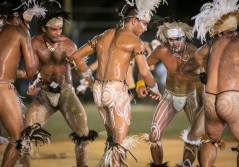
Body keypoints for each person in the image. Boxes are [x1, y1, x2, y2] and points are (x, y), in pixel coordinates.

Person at [72, 0, 166, 166]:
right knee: (119, 145)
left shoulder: (104, 35)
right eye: (144, 24)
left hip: (98, 91)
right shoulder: (134, 41)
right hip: (116, 92)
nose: (145, 28)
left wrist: (89, 78)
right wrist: (155, 88)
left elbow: (76, 57)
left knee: (112, 139)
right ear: (133, 20)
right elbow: (144, 72)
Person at [23, 1, 97, 167]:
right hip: (44, 94)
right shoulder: (34, 43)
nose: (58, 33)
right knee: (26, 133)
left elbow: (81, 70)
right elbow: (31, 70)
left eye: (60, 29)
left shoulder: (69, 45)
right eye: (54, 29)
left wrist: (92, 83)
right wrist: (33, 82)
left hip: (66, 92)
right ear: (44, 28)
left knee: (83, 134)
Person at [181, 0, 239, 166]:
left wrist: (202, 77)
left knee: (209, 141)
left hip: (210, 100)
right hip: (231, 99)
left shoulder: (211, 45)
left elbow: (185, 68)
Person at [137, 20, 205, 167]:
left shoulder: (194, 52)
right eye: (171, 40)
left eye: (177, 39)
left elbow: (203, 80)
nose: (174, 43)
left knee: (195, 137)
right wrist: (140, 83)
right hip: (170, 96)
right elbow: (144, 66)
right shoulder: (161, 50)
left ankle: (187, 164)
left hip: (191, 97)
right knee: (154, 136)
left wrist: (202, 102)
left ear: (184, 37)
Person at [0, 0, 50, 167]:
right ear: (16, 17)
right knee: (19, 138)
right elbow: (31, 70)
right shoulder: (20, 32)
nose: (27, 24)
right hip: (2, 89)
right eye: (26, 19)